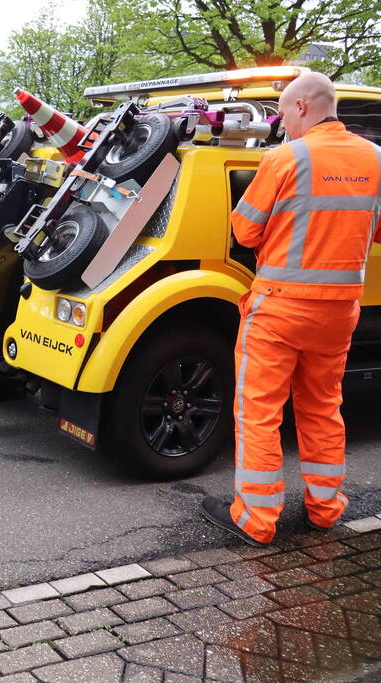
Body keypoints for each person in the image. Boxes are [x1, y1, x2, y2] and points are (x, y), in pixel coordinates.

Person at [200, 71, 381, 547]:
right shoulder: (377, 160)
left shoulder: (286, 157)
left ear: (302, 106)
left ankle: (256, 519)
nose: (280, 120)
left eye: (282, 111)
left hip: (279, 309)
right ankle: (325, 509)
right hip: (339, 312)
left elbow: (245, 232)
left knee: (258, 410)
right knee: (323, 406)